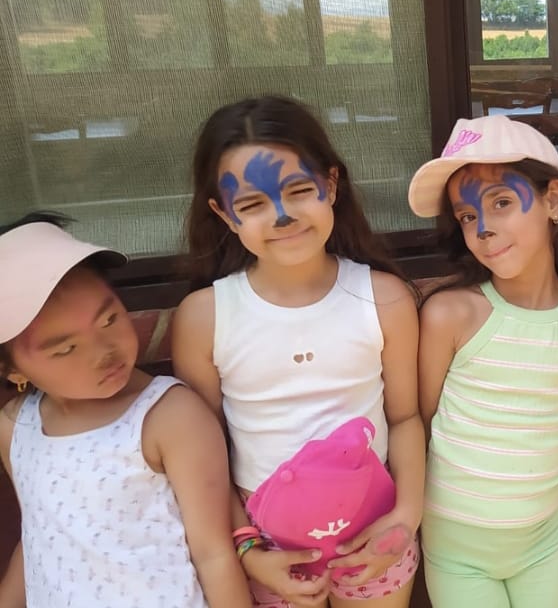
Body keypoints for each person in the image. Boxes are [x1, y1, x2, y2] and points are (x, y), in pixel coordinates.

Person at [172, 95, 424, 608]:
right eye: (252, 205)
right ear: (223, 214)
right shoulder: (203, 318)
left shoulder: (385, 299)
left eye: (299, 190)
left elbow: (405, 418)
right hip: (266, 549)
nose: (282, 216)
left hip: (376, 536)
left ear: (330, 184)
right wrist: (246, 549)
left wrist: (406, 517)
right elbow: (206, 457)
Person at [0, 212, 251, 608]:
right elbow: (38, 535)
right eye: (66, 349)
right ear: (12, 370)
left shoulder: (168, 417)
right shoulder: (16, 427)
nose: (105, 352)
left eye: (110, 318)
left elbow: (214, 554)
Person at [407, 115, 558, 608]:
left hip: (543, 541)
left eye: (502, 202)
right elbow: (422, 421)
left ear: (553, 200)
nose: (483, 228)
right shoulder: (450, 315)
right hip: (457, 548)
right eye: (467, 217)